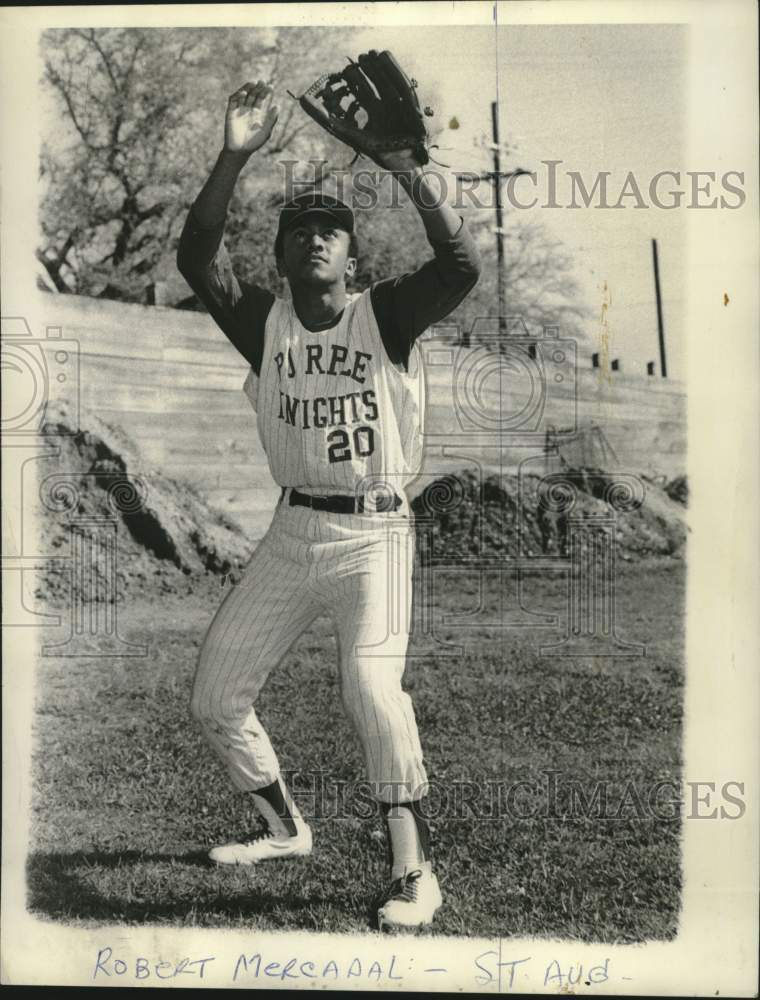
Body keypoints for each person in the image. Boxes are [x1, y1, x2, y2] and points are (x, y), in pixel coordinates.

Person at [177, 78, 480, 931]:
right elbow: (196, 257)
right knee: (214, 695)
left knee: (372, 691)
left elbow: (462, 266)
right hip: (291, 531)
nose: (316, 238)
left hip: (375, 532)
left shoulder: (384, 315)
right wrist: (234, 155)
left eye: (332, 231)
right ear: (282, 258)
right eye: (301, 231)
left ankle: (414, 872)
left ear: (352, 259)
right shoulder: (263, 323)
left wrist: (403, 169)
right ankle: (282, 828)